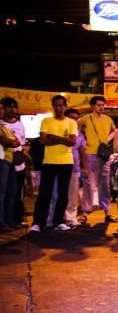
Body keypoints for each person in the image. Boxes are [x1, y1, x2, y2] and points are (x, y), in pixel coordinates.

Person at [30, 96, 77, 232]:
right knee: (45, 193)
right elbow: (43, 141)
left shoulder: (71, 122)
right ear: (53, 106)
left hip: (66, 162)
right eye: (56, 105)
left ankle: (58, 221)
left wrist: (53, 137)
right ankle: (38, 222)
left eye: (61, 105)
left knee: (63, 194)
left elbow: (72, 142)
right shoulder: (46, 120)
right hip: (49, 161)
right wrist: (63, 139)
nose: (59, 108)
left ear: (65, 106)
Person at [78, 96, 118, 223]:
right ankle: (84, 213)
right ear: (92, 106)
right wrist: (83, 143)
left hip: (103, 155)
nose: (101, 107)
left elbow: (115, 131)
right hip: (89, 154)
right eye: (99, 105)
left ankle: (107, 213)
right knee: (88, 184)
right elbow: (77, 134)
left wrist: (107, 140)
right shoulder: (85, 119)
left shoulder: (108, 119)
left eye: (103, 105)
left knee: (105, 184)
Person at [0, 97, 27, 227]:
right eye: (8, 107)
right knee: (3, 193)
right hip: (4, 160)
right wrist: (12, 142)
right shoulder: (1, 124)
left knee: (14, 193)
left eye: (14, 107)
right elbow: (10, 141)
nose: (12, 109)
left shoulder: (19, 124)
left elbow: (21, 142)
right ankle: (3, 222)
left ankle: (13, 220)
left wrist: (23, 154)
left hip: (16, 163)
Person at [63, 109, 88, 227]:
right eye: (72, 117)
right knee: (58, 193)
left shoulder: (80, 135)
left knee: (73, 195)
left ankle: (70, 218)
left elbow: (83, 152)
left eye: (76, 118)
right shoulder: (61, 131)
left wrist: (85, 168)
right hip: (59, 165)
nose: (74, 120)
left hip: (75, 168)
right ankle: (56, 217)